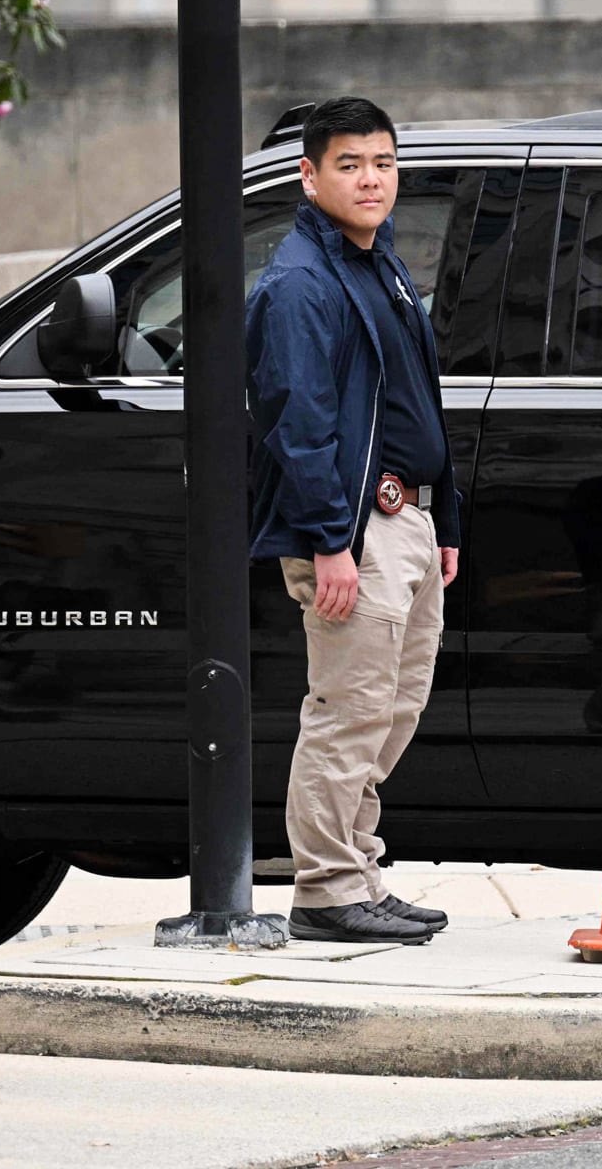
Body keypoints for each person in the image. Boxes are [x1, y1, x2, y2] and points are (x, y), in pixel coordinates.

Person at [246, 96, 463, 944]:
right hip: (353, 531)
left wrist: (443, 519)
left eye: (382, 162)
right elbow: (299, 426)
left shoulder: (381, 266)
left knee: (394, 706)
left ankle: (358, 869)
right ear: (309, 174)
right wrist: (330, 540)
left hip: (407, 518)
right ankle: (327, 890)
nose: (370, 179)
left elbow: (418, 403)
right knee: (348, 706)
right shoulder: (302, 283)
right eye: (349, 164)